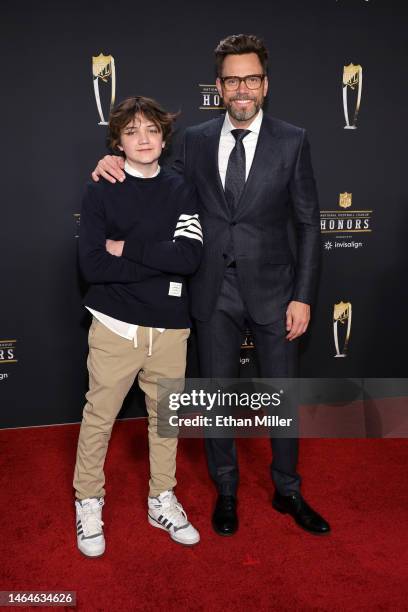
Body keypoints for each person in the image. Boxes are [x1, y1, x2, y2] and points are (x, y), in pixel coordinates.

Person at [92, 34, 331, 537]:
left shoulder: (293, 139)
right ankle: (226, 490)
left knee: (280, 397)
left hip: (275, 291)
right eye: (231, 80)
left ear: (264, 85)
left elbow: (309, 223)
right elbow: (151, 179)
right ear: (218, 86)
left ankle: (288, 489)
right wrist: (109, 162)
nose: (241, 89)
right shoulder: (196, 140)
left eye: (250, 79)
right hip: (209, 292)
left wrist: (304, 295)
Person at [74, 96, 203, 557]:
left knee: (165, 421)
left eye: (151, 129)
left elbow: (188, 257)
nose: (143, 139)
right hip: (114, 326)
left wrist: (124, 248)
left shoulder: (182, 188)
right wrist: (156, 261)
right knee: (99, 419)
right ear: (118, 142)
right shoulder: (101, 188)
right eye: (131, 132)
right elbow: (90, 265)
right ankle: (87, 500)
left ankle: (160, 498)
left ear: (164, 137)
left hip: (170, 328)